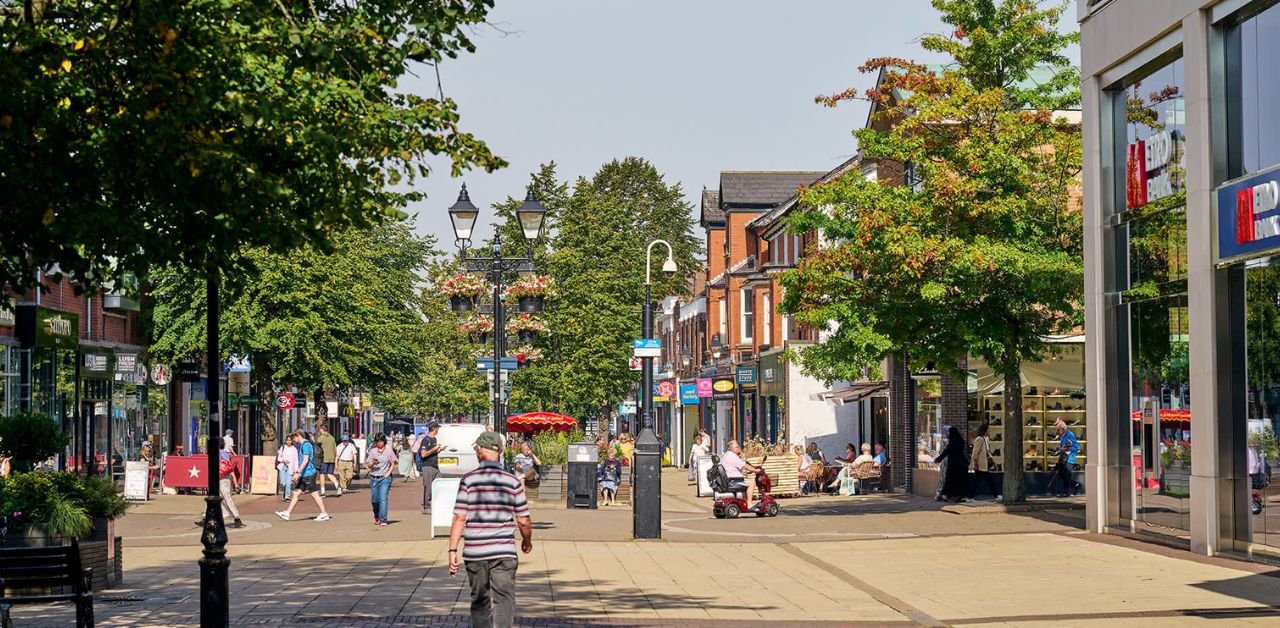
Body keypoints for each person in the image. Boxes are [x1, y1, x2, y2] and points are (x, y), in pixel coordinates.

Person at [449, 431, 533, 628]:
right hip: (503, 551)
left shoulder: (468, 480)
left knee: (480, 601)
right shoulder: (512, 481)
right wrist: (527, 541)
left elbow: (460, 517)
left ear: (480, 450)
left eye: (476, 448)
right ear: (500, 452)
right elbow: (523, 520)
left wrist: (452, 550)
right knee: (504, 600)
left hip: (475, 552)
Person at [276, 430, 331, 522]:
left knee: (315, 494)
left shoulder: (306, 445)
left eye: (294, 438)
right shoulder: (303, 445)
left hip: (309, 474)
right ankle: (287, 513)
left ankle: (324, 513)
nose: (293, 440)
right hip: (304, 474)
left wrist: (298, 472)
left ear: (298, 436)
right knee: (296, 493)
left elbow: (305, 460)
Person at [719, 440, 764, 511]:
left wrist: (740, 455)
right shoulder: (732, 456)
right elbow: (744, 465)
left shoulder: (726, 455)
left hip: (728, 481)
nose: (739, 448)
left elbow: (740, 464)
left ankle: (745, 503)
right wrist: (756, 470)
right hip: (733, 481)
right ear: (733, 449)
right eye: (737, 447)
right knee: (751, 483)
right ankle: (749, 504)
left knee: (745, 484)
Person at [366, 433, 397, 525]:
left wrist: (388, 473)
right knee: (375, 500)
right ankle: (377, 516)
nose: (379, 443)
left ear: (384, 441)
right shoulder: (373, 451)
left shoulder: (388, 450)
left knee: (383, 498)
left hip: (384, 478)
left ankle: (383, 519)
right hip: (374, 477)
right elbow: (368, 465)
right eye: (378, 441)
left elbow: (393, 463)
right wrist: (373, 463)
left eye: (381, 441)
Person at [933, 427, 969, 503]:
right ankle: (959, 495)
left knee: (949, 480)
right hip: (962, 463)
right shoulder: (961, 441)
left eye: (949, 433)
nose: (948, 434)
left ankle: (945, 495)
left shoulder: (953, 442)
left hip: (953, 464)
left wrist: (938, 459)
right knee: (959, 481)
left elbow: (946, 451)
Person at [968, 424, 1001, 502]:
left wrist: (994, 462)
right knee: (988, 481)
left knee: (977, 482)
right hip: (980, 465)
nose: (989, 430)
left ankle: (970, 497)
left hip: (983, 465)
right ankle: (996, 495)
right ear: (985, 430)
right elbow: (975, 453)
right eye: (988, 429)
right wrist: (976, 464)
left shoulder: (985, 439)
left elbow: (987, 452)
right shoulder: (979, 439)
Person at [1051, 419, 1083, 497]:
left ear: (1063, 429)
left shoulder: (1070, 435)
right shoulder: (1062, 436)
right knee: (1061, 473)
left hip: (1069, 458)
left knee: (1066, 474)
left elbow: (1076, 447)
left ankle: (1066, 492)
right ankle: (1076, 484)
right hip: (1063, 457)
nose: (1057, 431)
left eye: (1058, 430)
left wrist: (1067, 449)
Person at [418, 422, 443, 513]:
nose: (438, 430)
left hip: (435, 466)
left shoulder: (434, 439)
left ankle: (436, 503)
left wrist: (439, 450)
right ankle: (426, 506)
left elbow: (432, 452)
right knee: (428, 486)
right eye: (437, 428)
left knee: (439, 484)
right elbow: (423, 454)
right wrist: (434, 449)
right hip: (427, 466)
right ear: (434, 429)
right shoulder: (426, 440)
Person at [315, 425, 342, 497]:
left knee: (322, 474)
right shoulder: (332, 438)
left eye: (319, 430)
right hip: (332, 459)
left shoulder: (321, 438)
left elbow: (317, 445)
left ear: (321, 429)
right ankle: (338, 486)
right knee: (330, 474)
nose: (319, 431)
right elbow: (335, 450)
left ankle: (323, 491)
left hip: (324, 458)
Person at [276, 433, 298, 502]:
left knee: (288, 483)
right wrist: (283, 460)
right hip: (283, 467)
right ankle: (285, 493)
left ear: (292, 441)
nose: (288, 441)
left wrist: (296, 470)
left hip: (290, 468)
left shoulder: (294, 449)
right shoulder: (283, 448)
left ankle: (287, 497)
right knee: (283, 483)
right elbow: (279, 458)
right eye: (287, 440)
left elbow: (296, 460)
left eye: (290, 440)